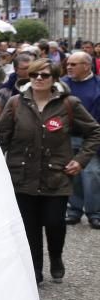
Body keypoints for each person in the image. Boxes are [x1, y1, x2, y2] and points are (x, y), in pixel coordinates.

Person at [0, 59, 100, 284]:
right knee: (29, 227)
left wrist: (80, 160)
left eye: (44, 75)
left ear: (54, 78)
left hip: (56, 176)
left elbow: (94, 132)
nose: (39, 79)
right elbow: (0, 137)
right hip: (22, 176)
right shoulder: (15, 103)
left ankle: (56, 257)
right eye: (34, 75)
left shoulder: (69, 103)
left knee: (54, 223)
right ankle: (34, 270)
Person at [62, 51, 100, 229]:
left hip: (90, 139)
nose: (69, 67)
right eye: (68, 64)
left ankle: (95, 213)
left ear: (87, 66)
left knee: (92, 175)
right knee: (72, 175)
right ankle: (74, 211)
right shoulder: (62, 84)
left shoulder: (98, 85)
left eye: (73, 64)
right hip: (67, 137)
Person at [0, 50, 35, 120]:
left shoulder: (38, 84)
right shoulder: (6, 90)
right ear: (16, 70)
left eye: (31, 67)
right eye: (25, 68)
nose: (29, 70)